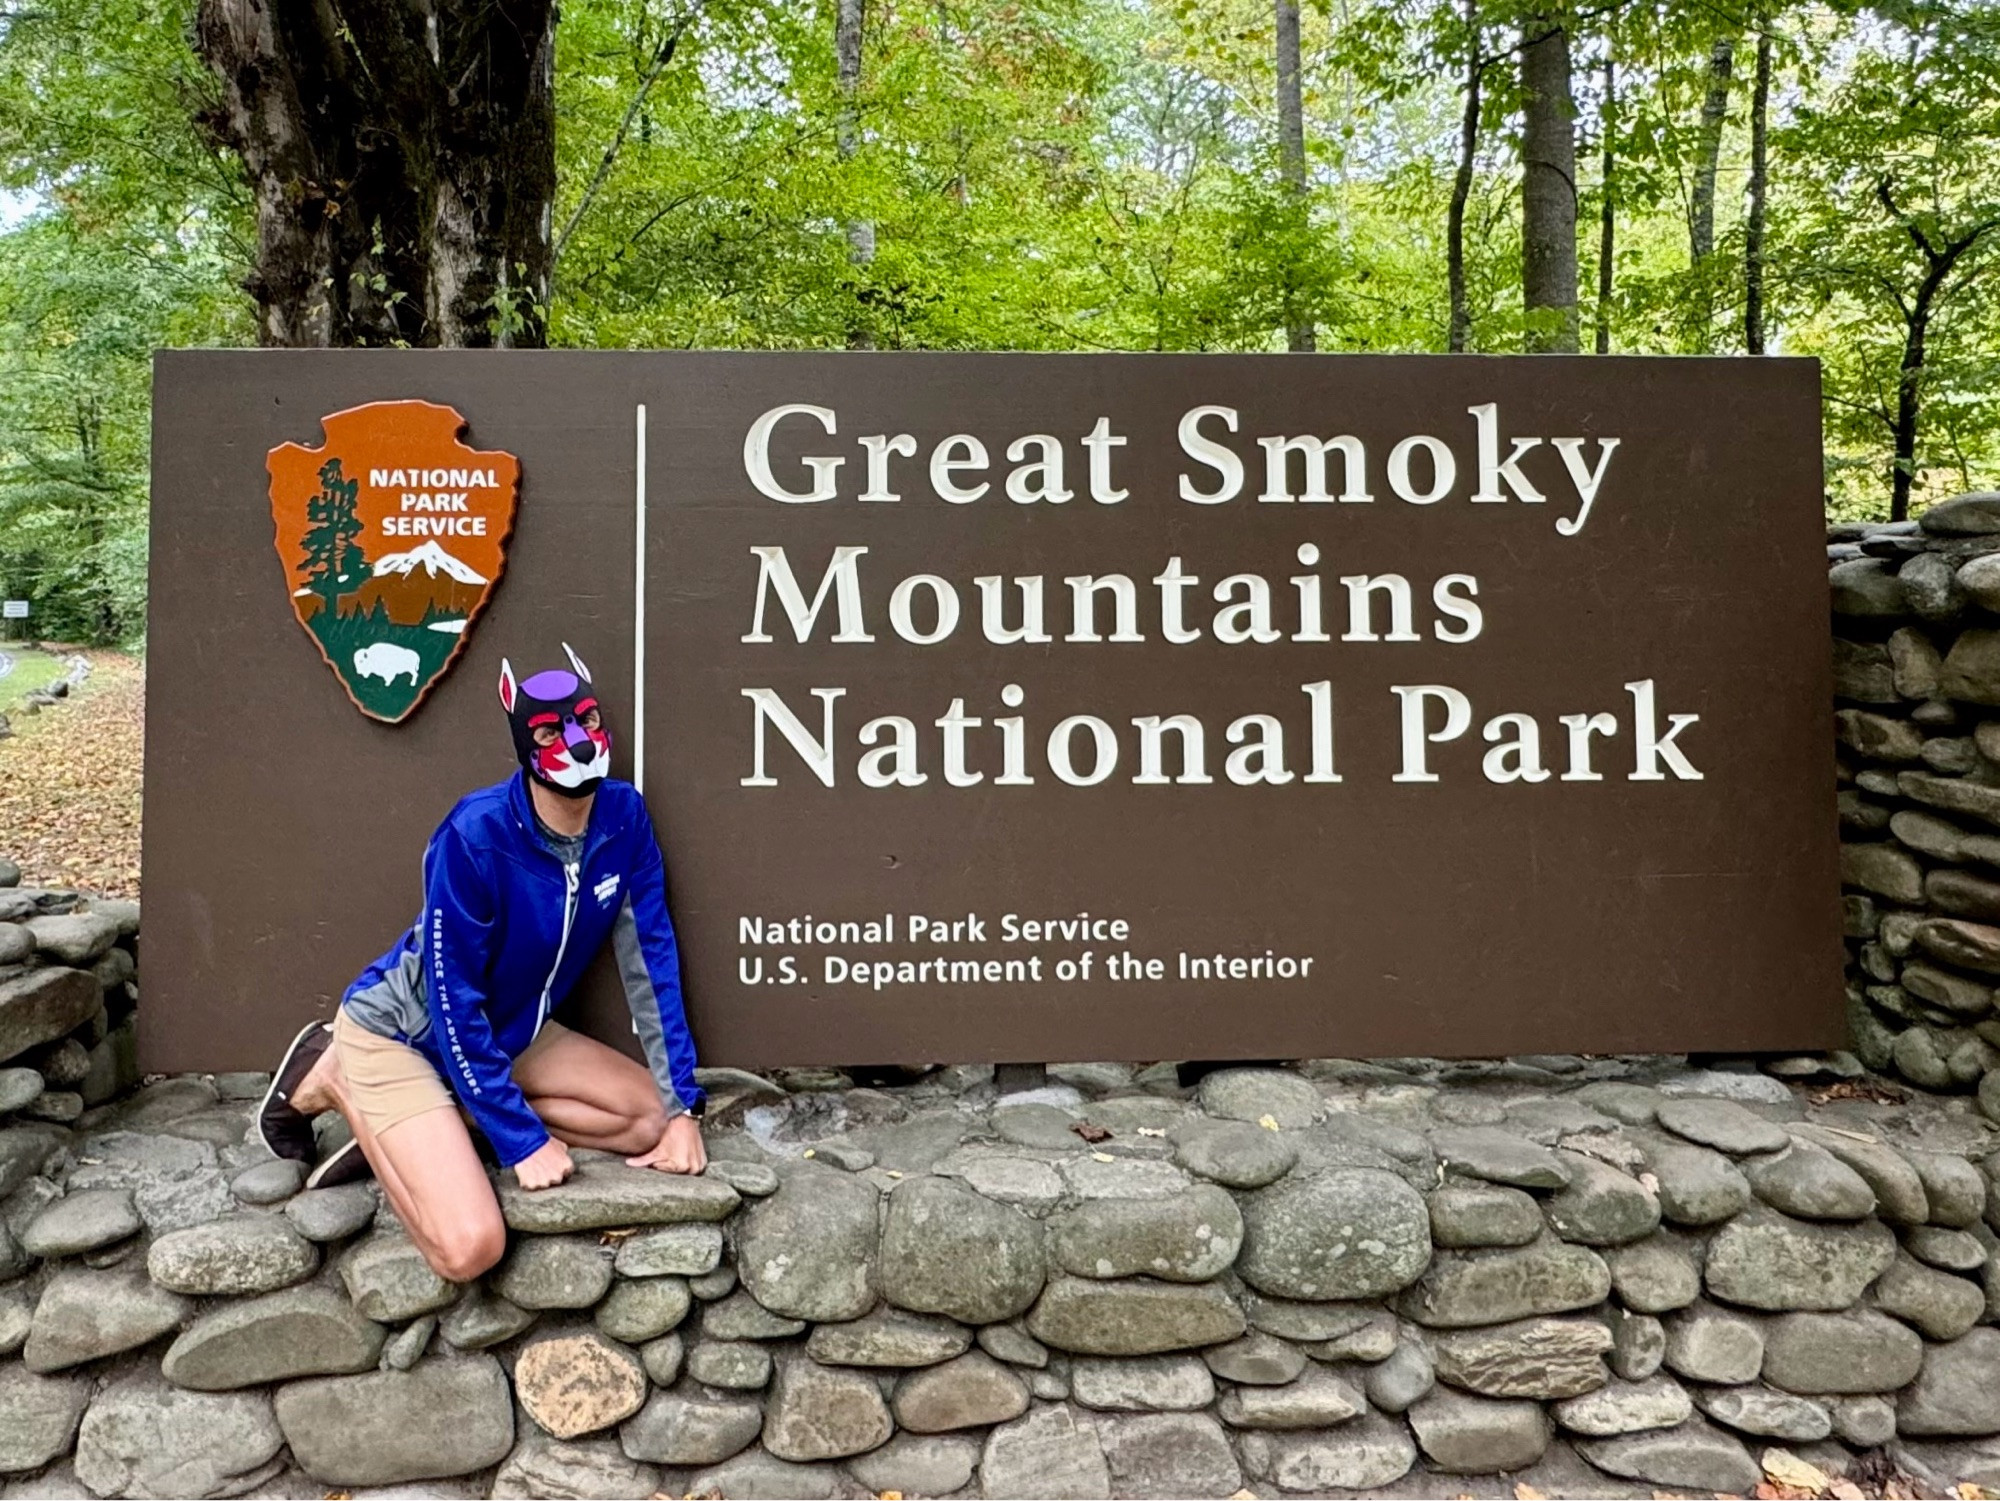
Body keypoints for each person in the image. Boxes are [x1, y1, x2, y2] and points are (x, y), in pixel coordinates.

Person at [255, 643, 706, 1281]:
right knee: (468, 1249)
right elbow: (450, 997)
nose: (577, 743)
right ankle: (342, 1077)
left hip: (514, 1026)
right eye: (551, 732)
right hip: (408, 1033)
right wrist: (520, 1139)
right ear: (523, 741)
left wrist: (686, 1108)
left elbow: (651, 960)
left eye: (588, 724)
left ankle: (445, 1119)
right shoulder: (475, 834)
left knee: (647, 1120)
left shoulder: (624, 818)